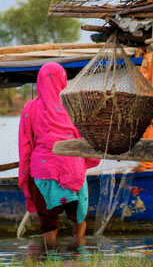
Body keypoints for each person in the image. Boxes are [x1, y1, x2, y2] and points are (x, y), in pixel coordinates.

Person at [19, 62, 100, 247]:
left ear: (39, 81)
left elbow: (26, 144)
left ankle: (51, 257)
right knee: (79, 216)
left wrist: (25, 170)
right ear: (63, 80)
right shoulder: (74, 106)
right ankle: (79, 249)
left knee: (48, 222)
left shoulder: (30, 109)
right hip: (73, 171)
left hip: (42, 172)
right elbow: (86, 138)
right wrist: (85, 162)